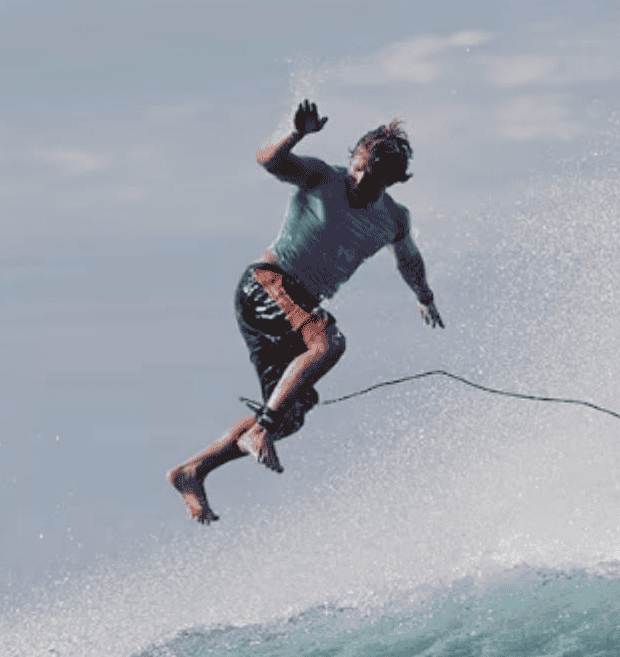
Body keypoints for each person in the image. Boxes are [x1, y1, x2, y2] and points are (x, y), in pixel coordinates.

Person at [169, 99, 444, 523]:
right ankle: (259, 429)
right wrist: (296, 134)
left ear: (392, 180)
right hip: (267, 284)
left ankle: (192, 471)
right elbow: (268, 160)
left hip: (297, 307)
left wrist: (424, 296)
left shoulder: (394, 218)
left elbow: (408, 259)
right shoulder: (321, 178)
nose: (360, 179)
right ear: (352, 158)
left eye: (373, 177)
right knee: (328, 342)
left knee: (291, 414)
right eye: (358, 166)